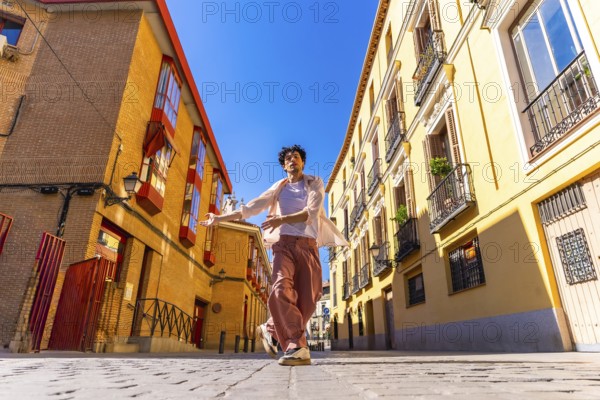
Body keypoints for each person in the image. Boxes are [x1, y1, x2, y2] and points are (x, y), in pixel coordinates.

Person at [200, 144, 348, 366]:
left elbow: (312, 213)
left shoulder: (314, 183)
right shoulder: (278, 189)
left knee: (310, 298)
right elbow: (249, 208)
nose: (292, 160)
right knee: (280, 289)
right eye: (288, 158)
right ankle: (297, 347)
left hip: (308, 245)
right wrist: (218, 219)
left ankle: (271, 329)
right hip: (283, 245)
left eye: (296, 157)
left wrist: (280, 219)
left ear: (302, 162)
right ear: (283, 165)